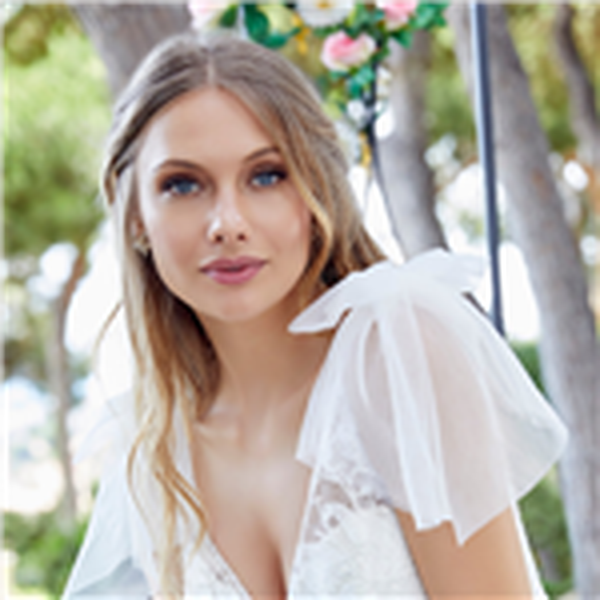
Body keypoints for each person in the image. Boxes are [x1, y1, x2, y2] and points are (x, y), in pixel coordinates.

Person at [64, 33, 568, 599]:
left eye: (266, 176)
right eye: (182, 184)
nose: (226, 223)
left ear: (315, 195)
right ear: (136, 218)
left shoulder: (400, 359)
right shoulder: (151, 449)